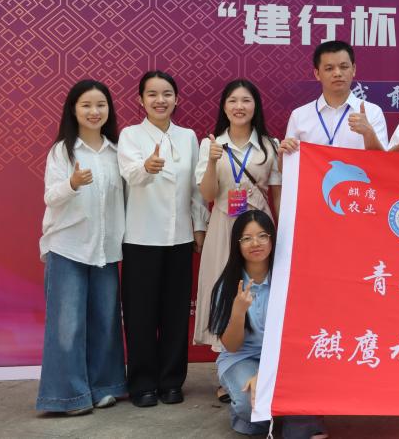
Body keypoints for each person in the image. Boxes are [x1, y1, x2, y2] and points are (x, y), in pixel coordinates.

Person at [36, 80, 127, 415]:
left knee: (105, 320)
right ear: (73, 110)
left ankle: (104, 386)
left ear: (109, 110)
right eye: (86, 105)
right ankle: (67, 396)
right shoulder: (63, 151)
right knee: (67, 325)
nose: (94, 111)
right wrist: (72, 183)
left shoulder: (117, 152)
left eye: (100, 105)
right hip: (68, 246)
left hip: (106, 249)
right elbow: (50, 197)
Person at [117, 70, 207, 407]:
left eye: (167, 94)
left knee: (175, 313)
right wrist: (147, 168)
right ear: (140, 100)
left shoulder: (188, 137)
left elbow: (196, 188)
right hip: (141, 238)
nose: (160, 100)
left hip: (179, 238)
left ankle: (171, 381)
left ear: (176, 99)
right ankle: (142, 383)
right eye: (152, 94)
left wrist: (199, 227)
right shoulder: (130, 135)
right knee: (140, 314)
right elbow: (130, 173)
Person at [209, 210, 328, 438]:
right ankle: (275, 415)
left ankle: (290, 416)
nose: (256, 243)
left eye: (262, 236)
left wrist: (268, 376)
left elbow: (304, 334)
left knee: (301, 402)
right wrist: (238, 313)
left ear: (272, 239)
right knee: (250, 405)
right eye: (247, 238)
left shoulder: (290, 278)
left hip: (287, 358)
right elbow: (232, 347)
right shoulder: (227, 285)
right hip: (242, 358)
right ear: (237, 244)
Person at [194, 80, 281, 359]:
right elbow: (208, 194)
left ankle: (261, 355)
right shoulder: (211, 145)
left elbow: (277, 195)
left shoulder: (270, 145)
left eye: (246, 100)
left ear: (256, 106)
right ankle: (226, 360)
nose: (239, 106)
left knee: (260, 286)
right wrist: (211, 161)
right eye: (232, 100)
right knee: (224, 285)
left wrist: (282, 232)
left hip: (260, 227)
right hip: (224, 225)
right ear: (224, 106)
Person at [281, 40, 388, 155]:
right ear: (317, 74)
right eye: (329, 68)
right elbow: (289, 164)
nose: (337, 73)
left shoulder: (372, 112)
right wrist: (283, 155)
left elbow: (383, 162)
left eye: (344, 67)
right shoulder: (299, 116)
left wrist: (368, 133)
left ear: (353, 69)